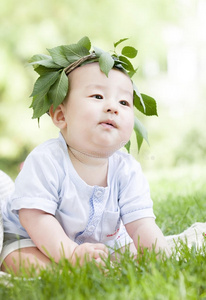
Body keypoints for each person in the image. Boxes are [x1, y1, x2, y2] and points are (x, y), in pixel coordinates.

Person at [0, 38, 171, 274]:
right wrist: (70, 254)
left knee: (135, 251)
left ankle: (95, 266)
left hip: (98, 248)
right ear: (61, 116)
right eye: (98, 97)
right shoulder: (46, 160)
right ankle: (64, 270)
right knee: (17, 258)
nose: (113, 107)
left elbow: (142, 223)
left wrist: (162, 256)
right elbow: (36, 218)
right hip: (37, 240)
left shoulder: (128, 170)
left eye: (123, 102)